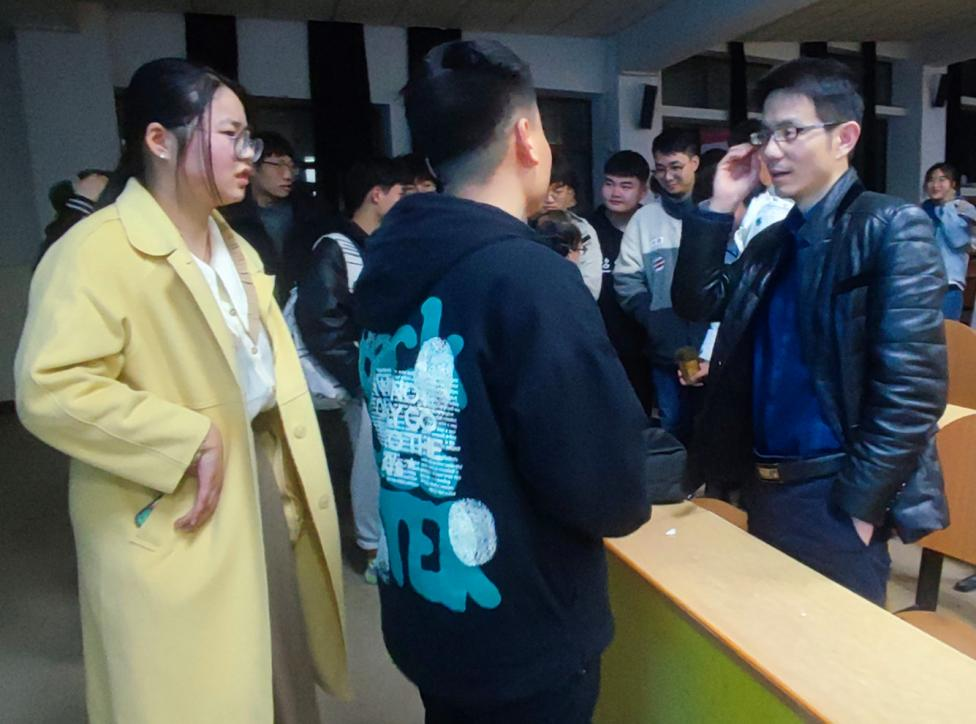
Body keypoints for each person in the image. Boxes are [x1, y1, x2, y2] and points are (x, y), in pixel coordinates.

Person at [354, 39, 685, 723]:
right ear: (527, 138)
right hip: (521, 634)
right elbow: (606, 492)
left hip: (427, 603)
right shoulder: (529, 278)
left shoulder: (389, 262)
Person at [15, 58, 349, 722]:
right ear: (159, 140)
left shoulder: (235, 248)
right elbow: (50, 387)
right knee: (192, 686)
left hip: (255, 477)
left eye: (249, 137)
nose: (249, 154)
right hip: (171, 492)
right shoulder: (96, 250)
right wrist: (184, 437)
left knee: (275, 669)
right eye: (230, 135)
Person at [672, 57, 949, 605]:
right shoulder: (773, 243)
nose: (772, 151)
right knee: (769, 637)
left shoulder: (890, 227)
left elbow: (913, 391)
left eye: (791, 132)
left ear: (845, 137)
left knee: (836, 649)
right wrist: (720, 204)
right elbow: (697, 300)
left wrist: (861, 510)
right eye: (766, 134)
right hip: (763, 481)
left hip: (834, 491)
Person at [293, 156, 406, 583]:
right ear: (377, 195)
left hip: (375, 370)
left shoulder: (383, 243)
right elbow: (320, 320)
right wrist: (360, 378)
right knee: (368, 464)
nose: (405, 201)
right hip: (358, 374)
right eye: (400, 192)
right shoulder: (336, 246)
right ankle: (369, 546)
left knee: (378, 462)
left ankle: (380, 542)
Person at [613, 129, 708, 442]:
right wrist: (651, 315)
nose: (667, 176)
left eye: (675, 167)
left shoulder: (717, 214)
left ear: (694, 163)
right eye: (660, 168)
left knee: (714, 434)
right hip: (666, 351)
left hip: (714, 351)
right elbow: (626, 277)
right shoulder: (645, 219)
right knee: (673, 433)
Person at [586, 151, 655, 416]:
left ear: (643, 191)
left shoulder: (653, 229)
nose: (615, 192)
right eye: (609, 183)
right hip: (597, 346)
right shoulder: (586, 230)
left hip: (642, 348)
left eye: (626, 186)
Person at [222, 130, 325, 300]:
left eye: (291, 166)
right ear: (252, 167)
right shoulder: (230, 216)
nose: (288, 175)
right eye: (278, 165)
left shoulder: (309, 214)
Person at [541, 152, 603, 299]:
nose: (549, 199)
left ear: (572, 195)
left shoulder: (583, 231)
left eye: (557, 191)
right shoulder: (519, 225)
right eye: (543, 190)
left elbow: (590, 289)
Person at [922, 162, 976, 321]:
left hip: (949, 284)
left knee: (948, 331)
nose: (935, 185)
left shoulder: (963, 208)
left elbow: (958, 240)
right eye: (931, 180)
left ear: (953, 184)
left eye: (942, 180)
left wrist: (947, 207)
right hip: (924, 282)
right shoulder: (923, 209)